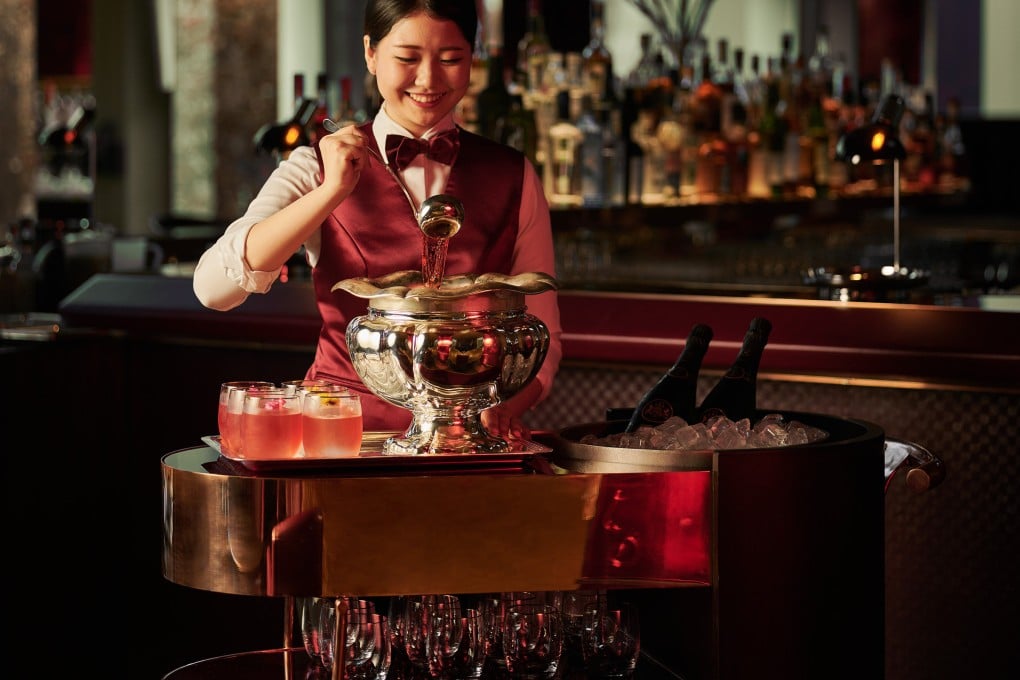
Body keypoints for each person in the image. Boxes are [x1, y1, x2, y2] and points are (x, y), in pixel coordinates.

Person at [193, 0, 561, 440]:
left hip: (466, 444)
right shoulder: (315, 166)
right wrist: (331, 191)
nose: (428, 79)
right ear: (370, 53)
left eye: (451, 59)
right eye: (406, 58)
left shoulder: (513, 173)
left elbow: (547, 335)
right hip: (340, 437)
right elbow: (215, 290)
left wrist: (503, 409)